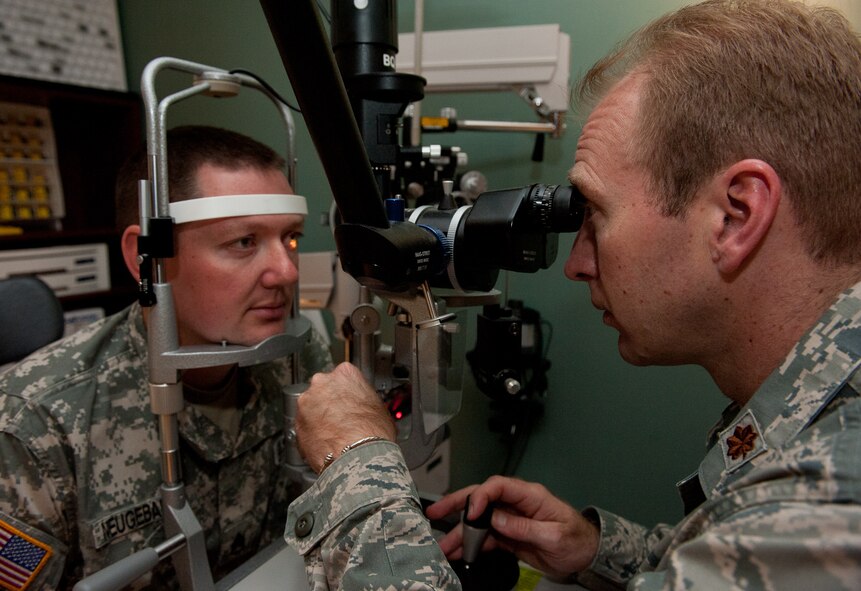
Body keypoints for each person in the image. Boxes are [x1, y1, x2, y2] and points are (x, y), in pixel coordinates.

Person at [284, 0, 861, 589]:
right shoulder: (815, 437)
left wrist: (356, 464)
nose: (577, 265)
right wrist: (597, 550)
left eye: (596, 215)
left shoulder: (830, 503)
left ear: (736, 215)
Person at [0, 125, 333, 590]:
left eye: (290, 239)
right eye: (244, 242)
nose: (286, 271)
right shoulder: (39, 425)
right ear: (145, 257)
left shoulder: (297, 357)